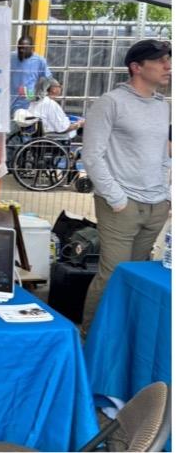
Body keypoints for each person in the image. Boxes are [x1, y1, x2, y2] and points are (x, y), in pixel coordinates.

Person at [80, 39, 171, 335]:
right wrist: (117, 198)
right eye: (159, 61)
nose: (168, 66)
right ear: (136, 67)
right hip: (121, 205)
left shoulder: (163, 106)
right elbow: (91, 155)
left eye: (168, 60)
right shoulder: (111, 102)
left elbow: (163, 153)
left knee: (139, 276)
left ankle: (122, 340)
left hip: (156, 204)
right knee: (112, 275)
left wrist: (167, 195)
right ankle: (89, 341)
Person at [10, 35, 52, 114]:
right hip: (10, 100)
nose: (22, 50)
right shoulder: (11, 57)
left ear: (32, 48)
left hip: (28, 101)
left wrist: (39, 94)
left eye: (25, 48)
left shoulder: (39, 61)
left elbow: (48, 78)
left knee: (25, 122)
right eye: (20, 48)